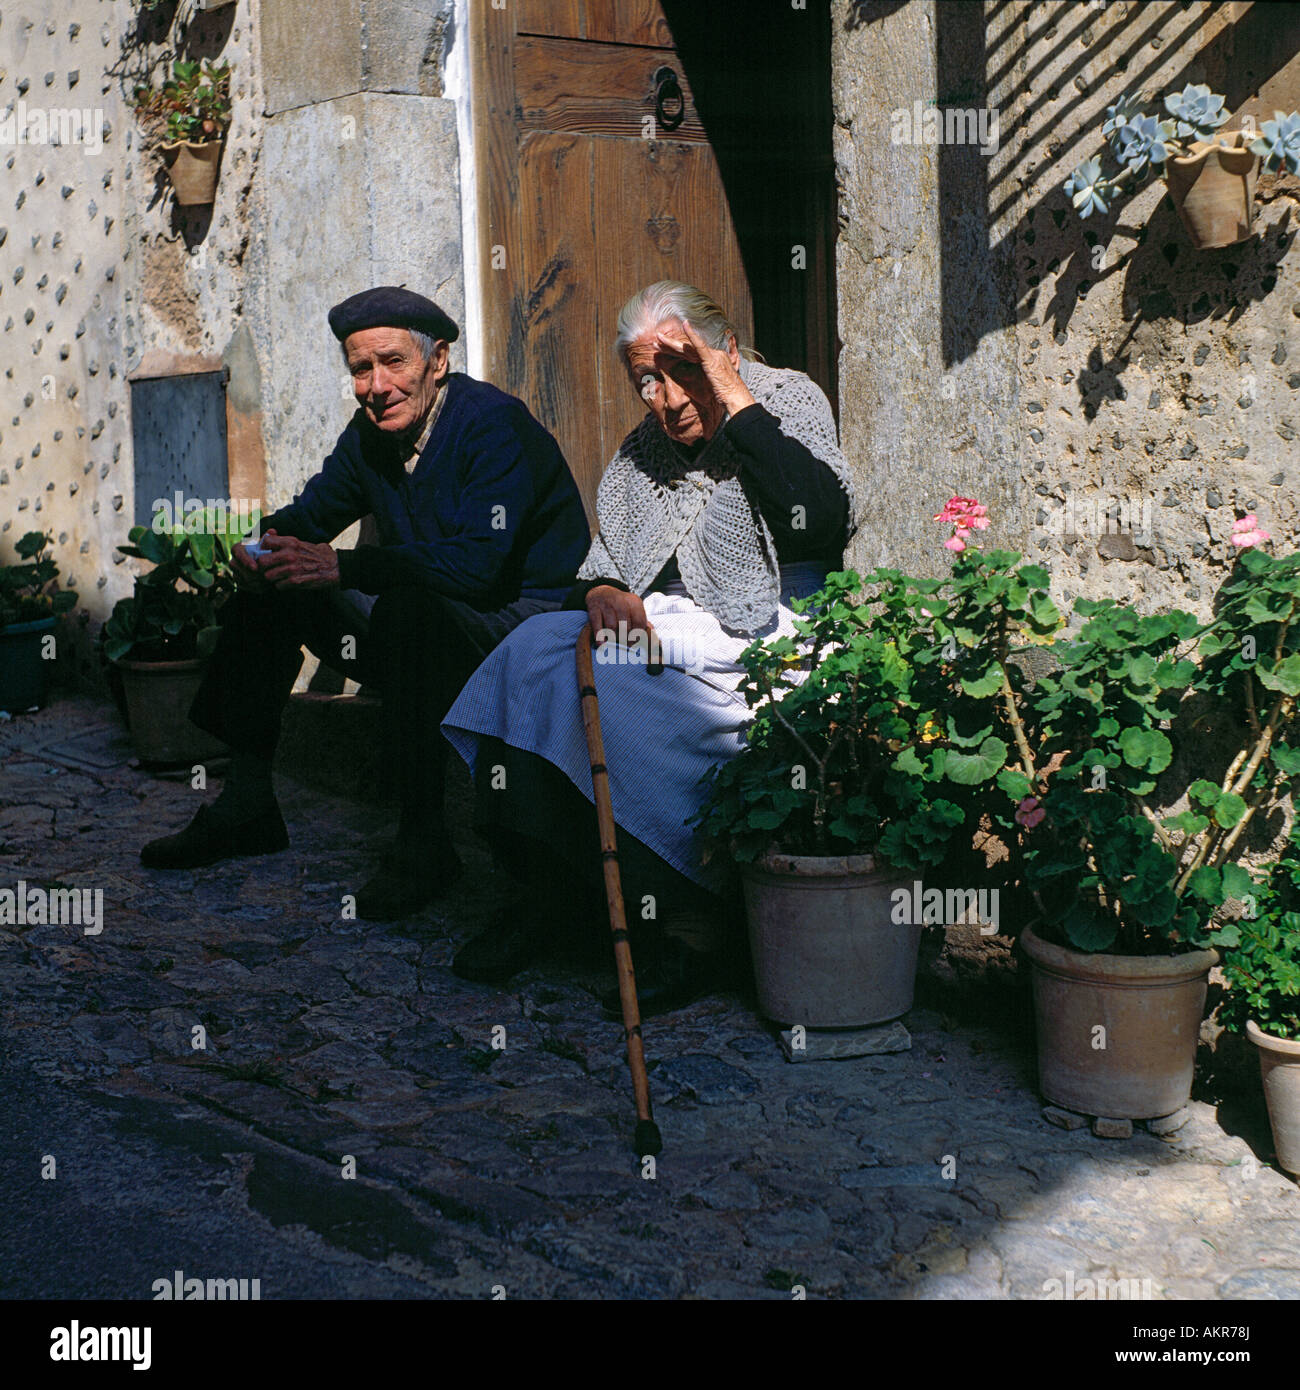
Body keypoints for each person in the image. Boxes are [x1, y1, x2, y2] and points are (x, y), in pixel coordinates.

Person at [442, 280, 857, 1015]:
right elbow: (604, 563)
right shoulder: (645, 453)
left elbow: (817, 520)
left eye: (684, 369)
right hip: (670, 629)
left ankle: (692, 927)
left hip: (772, 633)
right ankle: (544, 891)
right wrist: (602, 593)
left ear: (726, 353)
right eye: (647, 380)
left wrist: (734, 397)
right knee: (530, 651)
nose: (666, 398)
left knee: (615, 693)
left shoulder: (786, 400)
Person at [140, 286, 590, 920]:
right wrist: (261, 545)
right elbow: (312, 516)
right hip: (426, 618)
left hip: (514, 627)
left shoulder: (492, 425)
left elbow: (480, 566)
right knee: (279, 580)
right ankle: (246, 802)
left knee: (407, 609)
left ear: (437, 362)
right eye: (360, 368)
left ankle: (423, 839)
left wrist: (343, 565)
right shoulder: (371, 433)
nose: (376, 385)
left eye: (393, 363)